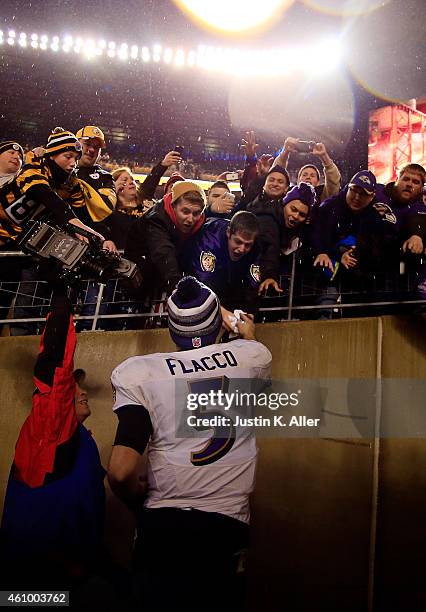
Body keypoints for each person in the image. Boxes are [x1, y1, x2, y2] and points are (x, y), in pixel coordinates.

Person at [107, 276, 272, 611]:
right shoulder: (253, 356)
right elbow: (250, 353)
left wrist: (141, 503)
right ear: (217, 325)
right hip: (225, 527)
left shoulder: (141, 372)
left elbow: (121, 472)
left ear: (172, 329)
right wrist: (246, 332)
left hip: (163, 526)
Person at [1, 286, 105, 590]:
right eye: (76, 388)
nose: (83, 392)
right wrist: (62, 305)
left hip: (73, 572)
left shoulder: (77, 440)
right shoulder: (47, 430)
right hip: (35, 580)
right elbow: (54, 365)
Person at [125, 180, 206, 297]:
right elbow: (163, 252)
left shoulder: (202, 219)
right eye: (185, 212)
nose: (190, 219)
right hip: (142, 273)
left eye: (196, 213)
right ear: (173, 206)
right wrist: (177, 287)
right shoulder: (156, 218)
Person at [185, 211, 261, 323]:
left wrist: (249, 314)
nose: (242, 249)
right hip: (194, 266)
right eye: (238, 242)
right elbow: (204, 284)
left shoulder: (256, 246)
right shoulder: (210, 240)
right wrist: (222, 313)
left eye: (247, 244)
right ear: (228, 232)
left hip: (229, 274)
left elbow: (252, 285)